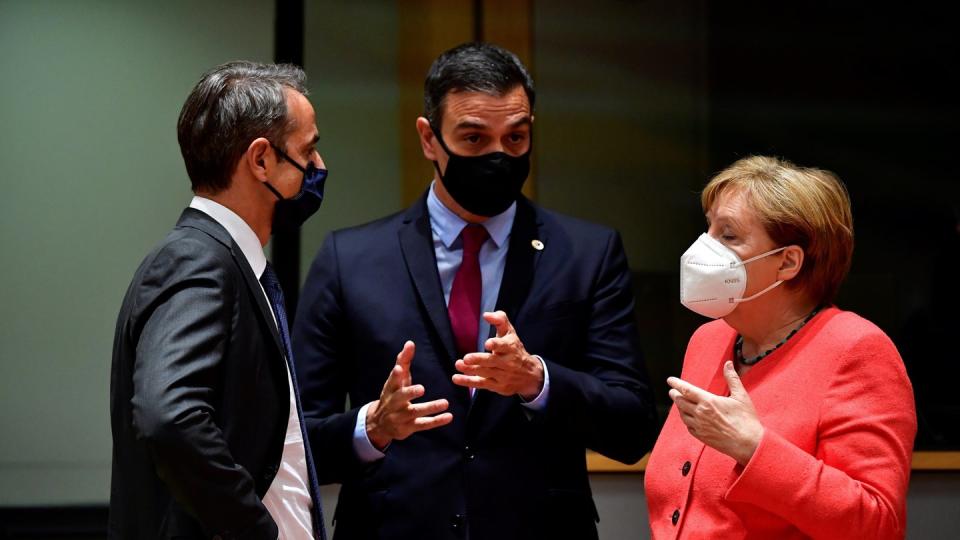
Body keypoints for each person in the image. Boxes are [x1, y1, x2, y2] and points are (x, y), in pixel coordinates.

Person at [291, 42, 656, 540]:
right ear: (429, 139)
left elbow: (633, 427)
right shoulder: (348, 260)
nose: (498, 157)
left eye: (516, 138)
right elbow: (297, 440)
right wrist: (373, 427)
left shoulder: (588, 254)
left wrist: (539, 381)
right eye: (474, 138)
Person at [110, 61, 329, 539]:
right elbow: (169, 416)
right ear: (261, 160)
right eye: (308, 151)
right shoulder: (198, 261)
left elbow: (265, 443)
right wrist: (255, 530)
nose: (319, 168)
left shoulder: (229, 262)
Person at [645, 156, 917, 539]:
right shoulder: (709, 340)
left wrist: (754, 447)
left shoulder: (857, 349)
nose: (703, 248)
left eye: (728, 235)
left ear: (788, 262)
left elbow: (877, 524)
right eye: (708, 228)